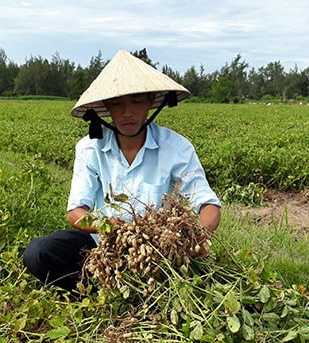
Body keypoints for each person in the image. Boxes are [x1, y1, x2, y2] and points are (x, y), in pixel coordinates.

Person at [23, 49, 221, 291]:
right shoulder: (89, 149)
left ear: (150, 101)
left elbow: (208, 205)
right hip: (103, 245)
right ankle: (100, 290)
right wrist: (109, 226)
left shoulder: (177, 147)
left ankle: (138, 291)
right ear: (106, 106)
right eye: (117, 103)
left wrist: (193, 239)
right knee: (39, 253)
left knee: (181, 275)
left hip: (158, 250)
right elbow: (76, 212)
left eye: (137, 101)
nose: (127, 112)